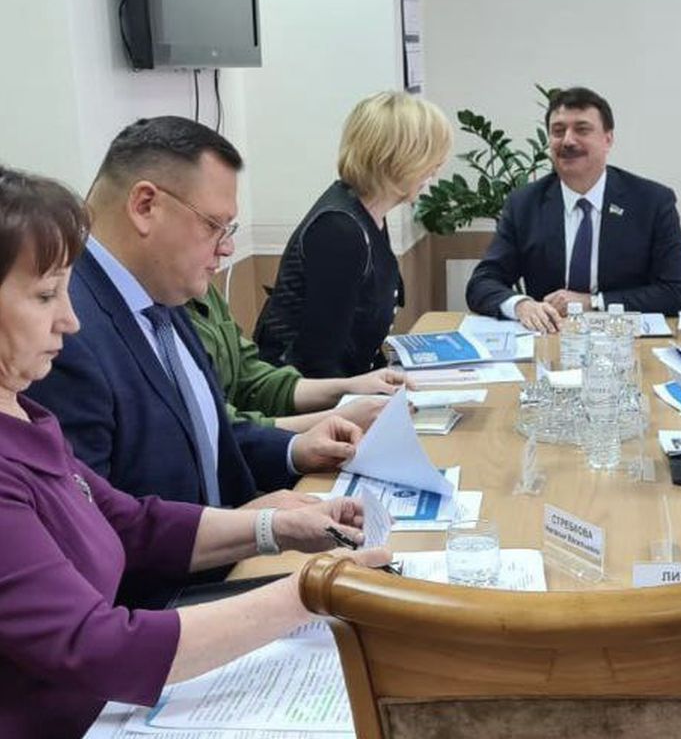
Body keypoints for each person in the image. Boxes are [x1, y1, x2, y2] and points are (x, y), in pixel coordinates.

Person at [0, 165, 390, 736]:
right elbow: (92, 645)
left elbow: (129, 522)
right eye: (44, 295)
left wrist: (276, 528)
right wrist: (309, 592)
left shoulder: (25, 415)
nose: (71, 319)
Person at [25, 118, 367, 608]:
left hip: (232, 560)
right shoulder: (66, 332)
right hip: (161, 606)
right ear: (145, 205)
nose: (226, 247)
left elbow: (202, 439)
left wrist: (296, 450)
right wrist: (256, 529)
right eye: (213, 225)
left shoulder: (160, 296)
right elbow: (92, 531)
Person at [464, 86, 681, 332]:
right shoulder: (524, 204)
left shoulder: (651, 201)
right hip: (551, 337)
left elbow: (680, 291)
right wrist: (521, 305)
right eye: (558, 131)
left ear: (608, 139)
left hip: (624, 339)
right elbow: (482, 283)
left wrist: (593, 303)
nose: (568, 141)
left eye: (582, 129)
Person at [254, 91, 452, 377]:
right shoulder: (340, 230)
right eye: (430, 163)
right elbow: (318, 361)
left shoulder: (369, 215)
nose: (433, 175)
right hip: (309, 395)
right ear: (399, 160)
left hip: (347, 387)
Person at [187, 283, 408, 433]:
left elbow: (252, 381)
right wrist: (338, 419)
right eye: (212, 230)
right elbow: (222, 431)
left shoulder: (203, 290)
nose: (227, 248)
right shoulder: (174, 315)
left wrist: (349, 387)